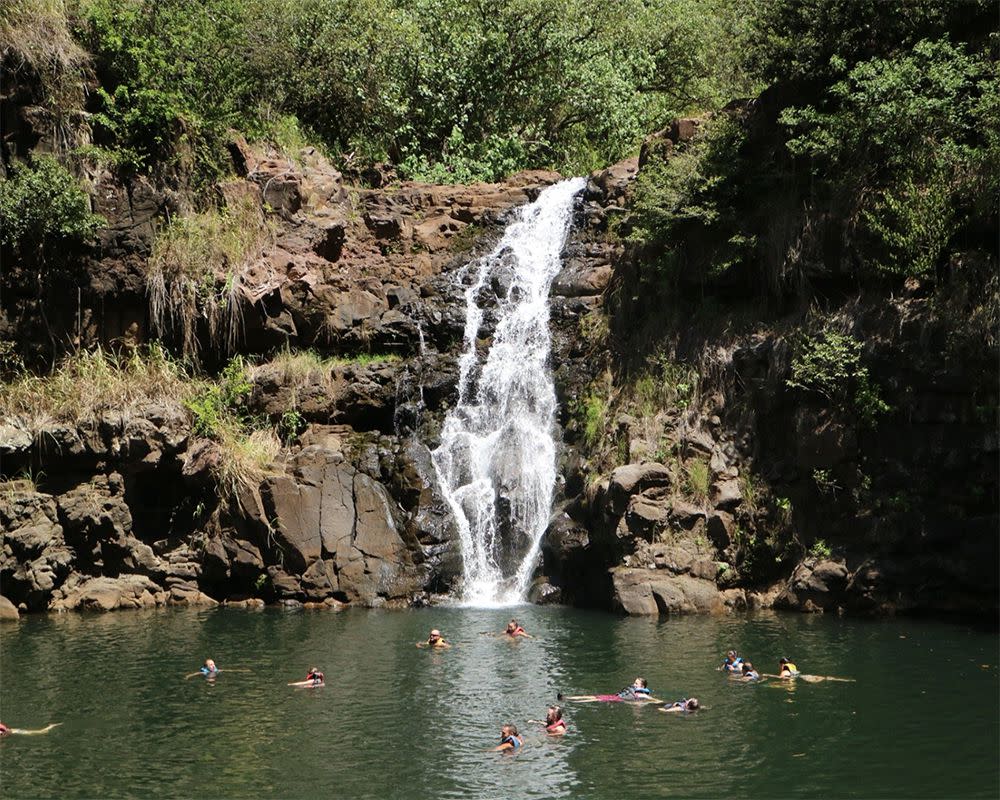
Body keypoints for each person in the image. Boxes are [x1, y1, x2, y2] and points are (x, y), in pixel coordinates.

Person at [561, 677, 657, 703]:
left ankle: (570, 700)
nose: (634, 684)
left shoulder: (642, 694)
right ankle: (568, 697)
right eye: (634, 682)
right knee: (594, 696)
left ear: (643, 687)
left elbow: (653, 699)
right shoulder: (635, 691)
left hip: (617, 699)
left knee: (595, 699)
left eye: (636, 683)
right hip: (615, 697)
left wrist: (661, 702)